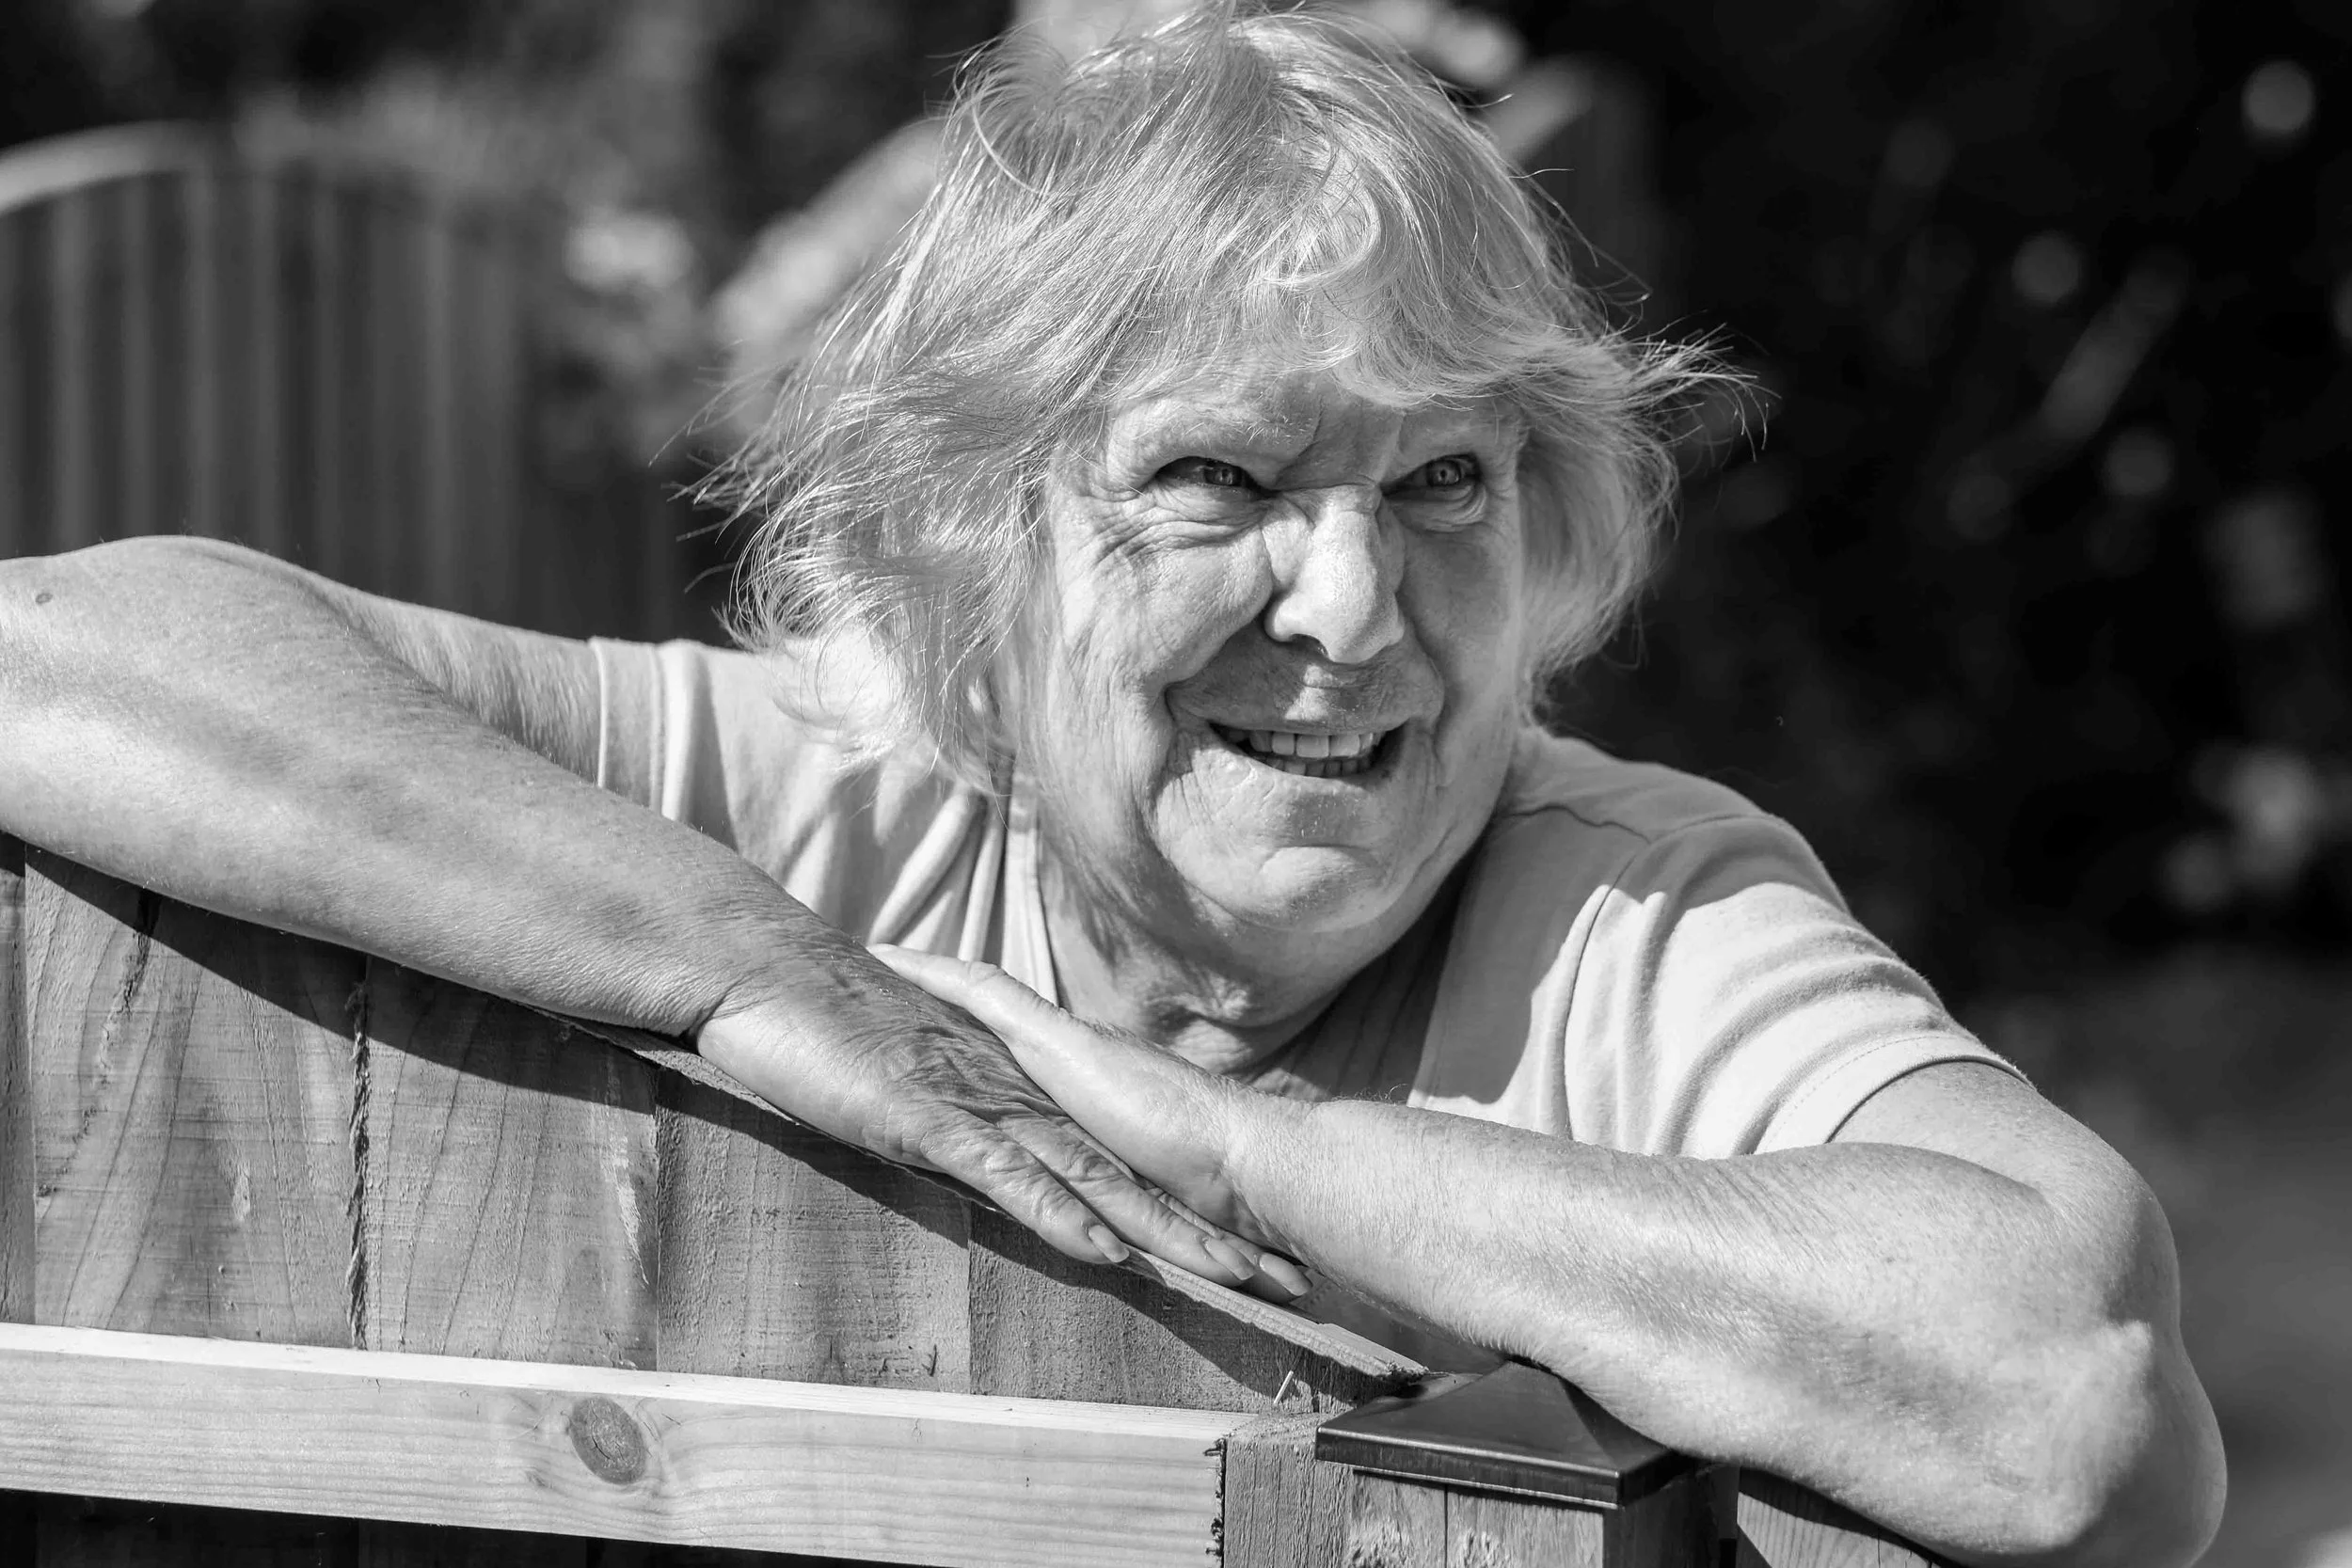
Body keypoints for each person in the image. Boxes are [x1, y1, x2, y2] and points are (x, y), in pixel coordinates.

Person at [0, 5, 2221, 1563]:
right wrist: (749, 970)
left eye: (1439, 477)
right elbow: (59, 651)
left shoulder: (1631, 907)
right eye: (1219, 478)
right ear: (962, 549)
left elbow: (2070, 1385)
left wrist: (1230, 1140)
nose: (1352, 603)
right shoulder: (824, 793)